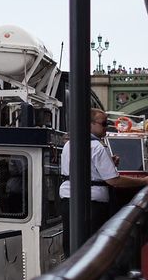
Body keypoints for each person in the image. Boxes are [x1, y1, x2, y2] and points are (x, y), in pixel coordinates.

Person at [60, 108, 148, 256]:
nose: (106, 126)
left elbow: (84, 169)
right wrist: (144, 181)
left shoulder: (69, 145)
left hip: (68, 200)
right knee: (94, 247)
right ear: (90, 124)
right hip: (92, 205)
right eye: (104, 123)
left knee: (72, 244)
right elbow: (114, 181)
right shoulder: (96, 147)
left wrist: (109, 163)